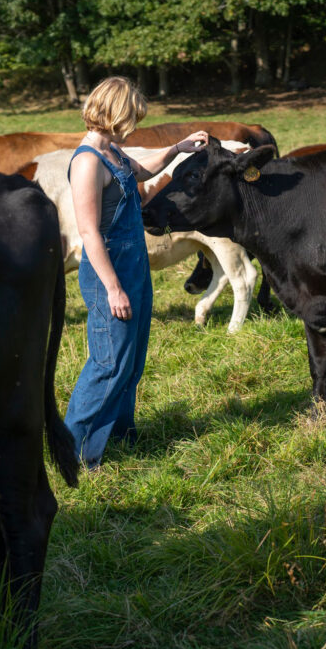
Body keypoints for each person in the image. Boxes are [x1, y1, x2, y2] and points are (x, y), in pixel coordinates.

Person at [64, 76, 208, 470]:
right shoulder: (87, 162)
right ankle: (72, 451)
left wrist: (177, 149)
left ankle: (119, 437)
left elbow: (142, 171)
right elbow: (89, 232)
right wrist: (113, 289)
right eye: (131, 117)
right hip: (108, 271)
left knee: (132, 359)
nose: (134, 125)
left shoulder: (111, 150)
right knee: (108, 362)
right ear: (113, 113)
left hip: (134, 266)